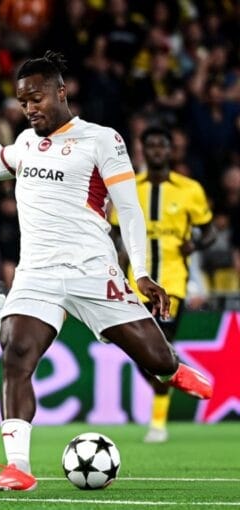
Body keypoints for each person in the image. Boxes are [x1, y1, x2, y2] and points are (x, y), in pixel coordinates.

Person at [0, 52, 213, 491]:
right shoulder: (27, 143)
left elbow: (128, 211)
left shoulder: (101, 140)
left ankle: (173, 371)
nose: (29, 109)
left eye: (36, 99)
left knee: (156, 359)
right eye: (22, 102)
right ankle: (18, 467)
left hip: (94, 271)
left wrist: (140, 274)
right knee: (16, 354)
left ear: (61, 92)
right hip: (37, 274)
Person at [109, 125, 215, 443]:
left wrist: (193, 245)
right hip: (133, 284)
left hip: (173, 283)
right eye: (151, 145)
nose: (156, 151)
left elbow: (208, 230)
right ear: (142, 149)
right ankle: (176, 380)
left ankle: (158, 423)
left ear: (171, 151)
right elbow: (115, 232)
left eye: (162, 146)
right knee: (143, 353)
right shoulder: (129, 188)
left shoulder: (189, 189)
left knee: (161, 344)